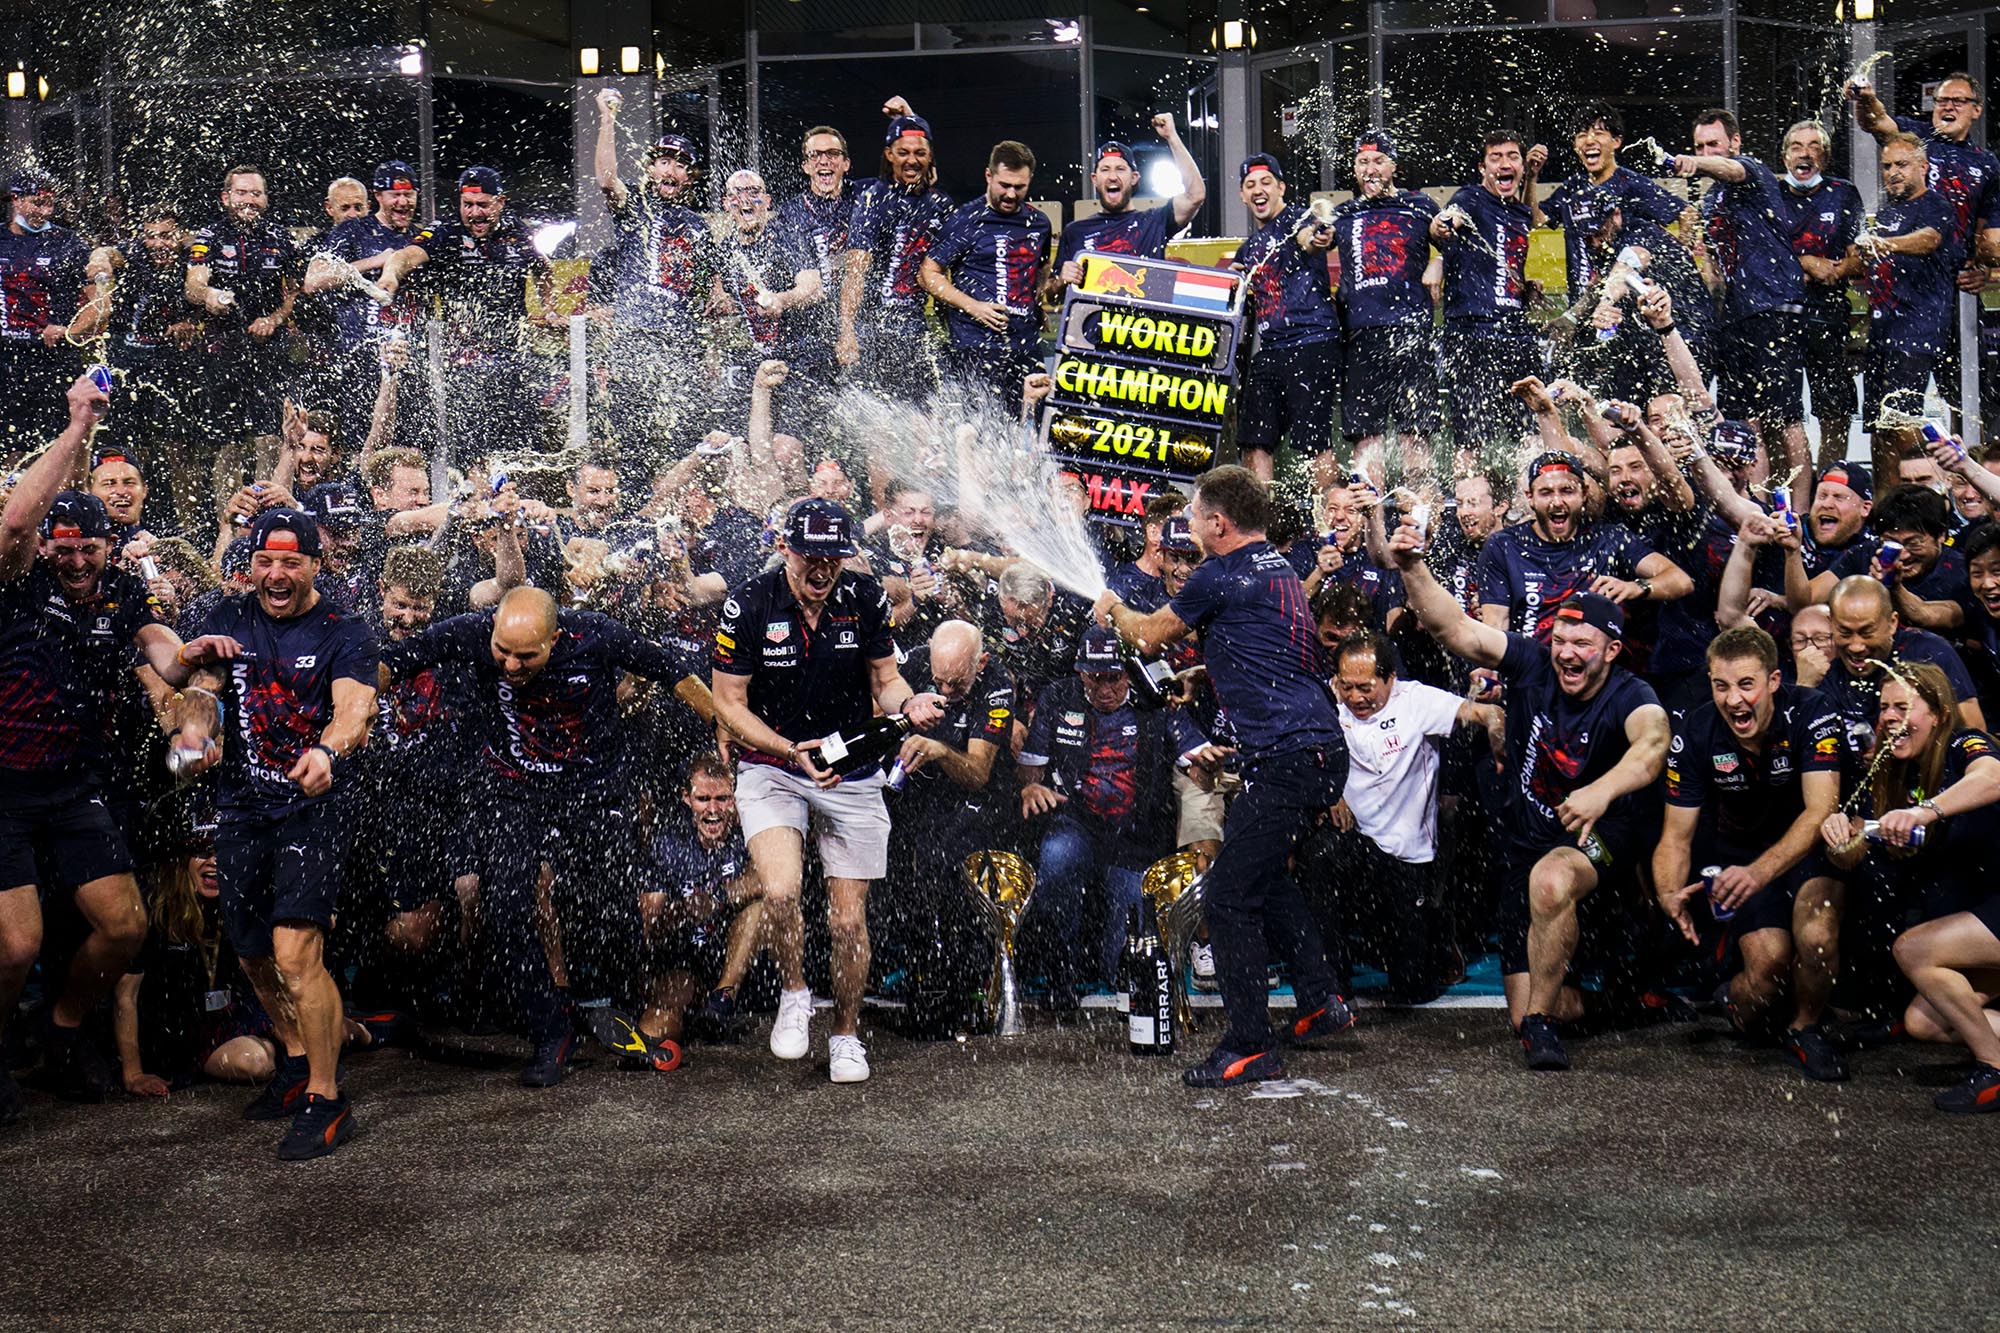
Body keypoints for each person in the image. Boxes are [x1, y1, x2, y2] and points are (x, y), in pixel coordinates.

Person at [1093, 465, 1354, 1088]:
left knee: (1229, 897)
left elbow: (1149, 636)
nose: (1188, 529)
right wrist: (1204, 674)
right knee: (1265, 876)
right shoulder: (1278, 567)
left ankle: (1249, 1044)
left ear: (1217, 522)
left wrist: (1112, 608)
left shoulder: (1219, 571)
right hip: (1319, 750)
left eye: (1194, 518)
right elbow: (1273, 649)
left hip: (1286, 757)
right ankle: (1320, 999)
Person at [0, 377, 214, 1122]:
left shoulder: (123, 592)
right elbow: (16, 518)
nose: (75, 562)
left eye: (88, 548)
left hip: (76, 785)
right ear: (44, 546)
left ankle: (60, 1030)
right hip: (5, 789)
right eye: (62, 548)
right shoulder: (17, 579)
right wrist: (77, 425)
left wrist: (194, 658)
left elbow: (165, 655)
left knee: (126, 927)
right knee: (16, 946)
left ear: (109, 546)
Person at [1390, 504, 1670, 1071]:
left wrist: (1601, 791)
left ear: (1612, 650)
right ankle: (1614, 1005)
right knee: (1525, 1009)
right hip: (1527, 844)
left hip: (1599, 841)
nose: (1567, 652)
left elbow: (1653, 743)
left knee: (1552, 881)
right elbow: (1456, 629)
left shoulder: (1630, 693)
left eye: (1583, 643)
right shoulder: (1534, 663)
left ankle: (1544, 1025)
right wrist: (1413, 567)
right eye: (1561, 639)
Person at [379, 585, 692, 1084]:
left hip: (592, 788)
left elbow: (671, 670)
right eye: (502, 651)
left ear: (555, 639)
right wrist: (352, 707)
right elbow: (395, 661)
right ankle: (551, 1028)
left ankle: (611, 1002)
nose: (510, 665)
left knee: (608, 901)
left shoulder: (595, 634)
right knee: (504, 904)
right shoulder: (474, 631)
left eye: (526, 656)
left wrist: (722, 722)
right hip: (513, 786)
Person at [709, 498, 946, 1084]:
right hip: (774, 763)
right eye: (810, 556)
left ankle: (845, 1033)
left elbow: (886, 681)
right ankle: (795, 992)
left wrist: (910, 701)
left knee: (847, 923)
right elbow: (728, 703)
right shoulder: (749, 603)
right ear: (784, 549)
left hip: (850, 770)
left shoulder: (865, 597)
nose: (822, 569)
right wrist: (790, 749)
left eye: (833, 558)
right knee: (781, 889)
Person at [172, 508, 379, 1160]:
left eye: (291, 561)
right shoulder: (229, 616)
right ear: (251, 564)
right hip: (241, 808)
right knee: (253, 950)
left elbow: (355, 708)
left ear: (315, 564)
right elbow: (203, 686)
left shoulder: (344, 629)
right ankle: (294, 1058)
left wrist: (328, 752)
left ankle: (326, 1095)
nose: (277, 573)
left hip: (313, 807)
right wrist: (195, 733)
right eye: (266, 560)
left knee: (295, 952)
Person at [1653, 626, 1847, 1075]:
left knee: (1816, 939)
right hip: (1743, 860)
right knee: (1759, 993)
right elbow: (1675, 837)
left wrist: (1758, 873)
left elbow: (1821, 811)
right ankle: (1734, 994)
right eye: (1721, 686)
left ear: (1774, 681)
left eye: (1746, 685)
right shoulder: (1696, 731)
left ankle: (1805, 1029)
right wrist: (1668, 894)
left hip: (1811, 852)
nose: (1734, 700)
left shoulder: (1813, 710)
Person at [1316, 631, 1502, 1003]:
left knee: (1412, 988)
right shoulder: (1324, 702)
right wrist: (1329, 793)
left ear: (1390, 679)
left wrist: (1496, 730)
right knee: (1320, 854)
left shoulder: (1416, 700)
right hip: (1353, 843)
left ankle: (1432, 937)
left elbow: (1485, 712)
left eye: (1365, 687)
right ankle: (1331, 986)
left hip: (1406, 856)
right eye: (1346, 686)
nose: (1355, 697)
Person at [1017, 626, 1179, 1004]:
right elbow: (1030, 769)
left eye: (1114, 678)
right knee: (1056, 859)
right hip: (1075, 820)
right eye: (1095, 679)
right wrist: (1029, 787)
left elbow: (1192, 748)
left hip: (1135, 831)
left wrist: (1203, 760)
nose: (1105, 689)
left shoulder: (1154, 701)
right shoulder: (1058, 696)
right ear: (1080, 672)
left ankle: (1117, 973)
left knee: (1121, 963)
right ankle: (1061, 969)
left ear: (1129, 673)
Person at [1865, 668, 2000, 1113]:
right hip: (1987, 908)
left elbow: (1994, 777)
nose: (1889, 716)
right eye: (1884, 707)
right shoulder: (1906, 772)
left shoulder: (1964, 742)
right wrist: (1848, 830)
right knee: (1925, 1021)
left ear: (1939, 715)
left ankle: (1995, 1068)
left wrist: (1925, 812)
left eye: (1902, 707)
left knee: (1914, 950)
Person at [376, 167, 561, 468]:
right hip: (460, 366)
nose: (474, 213)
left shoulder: (517, 231)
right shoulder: (446, 231)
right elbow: (405, 256)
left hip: (511, 363)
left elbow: (543, 268)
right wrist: (390, 276)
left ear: (500, 202)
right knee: (469, 455)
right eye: (467, 205)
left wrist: (550, 308)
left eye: (482, 205)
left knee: (521, 450)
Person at [1670, 109, 1810, 481]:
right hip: (1734, 318)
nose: (1706, 152)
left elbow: (1731, 170)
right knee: (1745, 423)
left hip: (1774, 307)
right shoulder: (1711, 200)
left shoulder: (1754, 171)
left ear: (1735, 142)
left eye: (1713, 144)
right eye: (1699, 146)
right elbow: (1714, 270)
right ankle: (1756, 503)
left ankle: (1801, 511)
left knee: (1786, 419)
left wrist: (1696, 163)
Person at [592, 89, 720, 477]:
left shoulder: (700, 227)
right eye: (664, 162)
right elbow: (607, 180)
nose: (671, 171)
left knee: (682, 440)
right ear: (651, 169)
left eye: (680, 166)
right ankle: (635, 506)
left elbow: (709, 288)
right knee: (632, 443)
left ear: (689, 177)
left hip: (681, 345)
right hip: (634, 339)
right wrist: (607, 119)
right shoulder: (636, 206)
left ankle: (675, 506)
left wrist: (716, 299)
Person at [1475, 449, 1693, 640]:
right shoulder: (1504, 545)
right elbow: (1496, 626)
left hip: (1595, 665)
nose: (1557, 502)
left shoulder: (1610, 539)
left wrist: (1636, 587)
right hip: (1529, 666)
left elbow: (1680, 580)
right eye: (1546, 493)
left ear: (1584, 494)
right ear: (1530, 498)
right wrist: (1490, 669)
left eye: (1567, 491)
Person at [1327, 130, 1440, 474]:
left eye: (1378, 161)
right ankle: (1371, 511)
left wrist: (1438, 261)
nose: (1370, 169)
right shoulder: (1343, 214)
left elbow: (1458, 244)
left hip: (1411, 333)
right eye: (1363, 162)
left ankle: (1421, 510)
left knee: (1415, 437)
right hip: (1361, 337)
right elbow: (1308, 242)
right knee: (1366, 442)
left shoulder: (1420, 205)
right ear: (1354, 169)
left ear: (1394, 166)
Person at [640, 753, 764, 1051]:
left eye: (722, 798)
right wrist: (684, 911)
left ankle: (722, 997)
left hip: (741, 960)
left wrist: (716, 899)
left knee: (760, 907)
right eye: (703, 799)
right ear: (686, 798)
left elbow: (768, 879)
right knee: (661, 1017)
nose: (713, 809)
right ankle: (655, 1045)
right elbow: (650, 928)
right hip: (686, 960)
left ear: (735, 799)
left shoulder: (752, 831)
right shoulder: (666, 844)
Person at [1233, 154, 1340, 485]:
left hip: (1312, 343)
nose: (1258, 190)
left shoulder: (1299, 220)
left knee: (1314, 443)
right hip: (1271, 350)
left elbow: (1312, 236)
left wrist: (1318, 236)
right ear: (1242, 195)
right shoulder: (1248, 250)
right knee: (1254, 441)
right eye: (1250, 185)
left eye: (1266, 182)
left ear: (1281, 188)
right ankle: (1259, 515)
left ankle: (1331, 512)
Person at [921, 140, 1051, 407]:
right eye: (1005, 185)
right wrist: (973, 307)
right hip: (975, 345)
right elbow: (928, 273)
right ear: (988, 176)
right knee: (979, 426)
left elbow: (1042, 266)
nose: (1011, 194)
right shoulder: (965, 219)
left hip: (1025, 346)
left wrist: (1036, 301)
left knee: (1034, 423)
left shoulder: (1039, 223)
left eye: (1019, 187)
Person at [1431, 133, 1539, 449]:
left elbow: (1502, 264)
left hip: (1516, 334)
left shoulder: (1521, 212)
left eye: (1512, 157)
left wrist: (1525, 288)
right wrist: (1441, 230)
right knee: (1472, 440)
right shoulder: (1470, 198)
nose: (1505, 164)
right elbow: (1450, 218)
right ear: (1482, 168)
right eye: (1496, 158)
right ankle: (1473, 483)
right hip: (1472, 333)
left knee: (1529, 434)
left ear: (1521, 166)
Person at [839, 107, 954, 401]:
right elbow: (856, 271)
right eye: (903, 153)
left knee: (923, 415)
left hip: (913, 326)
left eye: (920, 153)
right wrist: (847, 330)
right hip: (871, 328)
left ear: (930, 156)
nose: (911, 160)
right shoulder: (873, 198)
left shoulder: (940, 204)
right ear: (889, 155)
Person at [1853, 134, 1959, 435]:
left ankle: (1921, 467)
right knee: (1878, 426)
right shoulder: (1887, 211)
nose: (1893, 172)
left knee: (1902, 422)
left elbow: (1929, 239)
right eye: (1887, 166)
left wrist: (1885, 244)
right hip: (1882, 330)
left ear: (1923, 167)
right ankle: (1886, 472)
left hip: (1917, 329)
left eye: (1902, 164)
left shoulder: (1936, 205)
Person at [1535, 102, 1693, 300]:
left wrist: (1678, 263)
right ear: (1575, 145)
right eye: (1582, 135)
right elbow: (1536, 220)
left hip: (1621, 301)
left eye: (1598, 133)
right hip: (1581, 301)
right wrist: (1531, 176)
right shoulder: (1571, 188)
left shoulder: (1631, 184)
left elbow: (1687, 213)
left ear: (1616, 141)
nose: (1589, 140)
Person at [185, 166, 297, 446]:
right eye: (242, 193)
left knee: (270, 436)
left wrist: (274, 319)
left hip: (269, 347)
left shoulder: (280, 236)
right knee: (225, 441)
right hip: (222, 346)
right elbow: (192, 286)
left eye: (256, 194)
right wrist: (209, 295)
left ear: (266, 199)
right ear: (226, 198)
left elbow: (296, 293)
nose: (250, 200)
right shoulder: (210, 235)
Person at [1775, 121, 1865, 461]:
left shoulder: (1844, 193)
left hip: (1828, 313)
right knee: (1781, 412)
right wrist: (1806, 262)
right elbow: (1763, 260)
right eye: (1797, 147)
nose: (1805, 154)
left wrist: (1834, 270)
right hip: (1780, 315)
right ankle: (1790, 484)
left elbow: (1860, 259)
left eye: (1814, 147)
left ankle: (1830, 477)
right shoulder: (1771, 195)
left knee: (1835, 408)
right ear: (1785, 156)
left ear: (1825, 157)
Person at [0, 170, 100, 446]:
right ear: (16, 200)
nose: (45, 211)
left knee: (58, 443)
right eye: (37, 203)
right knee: (8, 446)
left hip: (53, 359)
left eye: (50, 204)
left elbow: (99, 303)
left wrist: (70, 331)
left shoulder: (68, 243)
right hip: (6, 360)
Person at [1049, 116, 1206, 290]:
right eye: (1105, 169)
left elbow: (1195, 195)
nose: (1112, 176)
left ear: (1134, 178)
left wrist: (1172, 136)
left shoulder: (1154, 222)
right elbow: (1050, 295)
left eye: (1120, 169)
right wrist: (1061, 280)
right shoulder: (1075, 231)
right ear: (1094, 179)